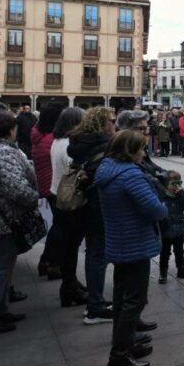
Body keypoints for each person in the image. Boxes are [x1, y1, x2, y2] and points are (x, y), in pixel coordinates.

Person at [94, 130, 167, 366]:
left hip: (118, 241)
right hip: (135, 243)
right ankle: (120, 356)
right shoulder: (130, 176)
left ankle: (125, 344)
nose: (144, 153)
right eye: (141, 149)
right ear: (130, 151)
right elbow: (156, 210)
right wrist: (164, 201)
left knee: (122, 296)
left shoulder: (107, 169)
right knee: (132, 301)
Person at [0, 110, 40, 335]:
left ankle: (0, 310)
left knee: (2, 264)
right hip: (4, 217)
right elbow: (17, 188)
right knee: (0, 267)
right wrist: (34, 198)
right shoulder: (3, 153)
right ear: (10, 130)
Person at [68, 107, 115, 322]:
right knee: (99, 253)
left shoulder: (78, 144)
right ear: (101, 123)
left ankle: (94, 301)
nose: (114, 125)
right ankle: (96, 306)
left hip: (84, 205)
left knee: (93, 252)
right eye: (111, 121)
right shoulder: (102, 146)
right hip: (99, 206)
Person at [50, 106, 88, 306]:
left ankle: (71, 283)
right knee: (70, 247)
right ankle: (69, 287)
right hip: (70, 201)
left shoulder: (57, 141)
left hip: (58, 196)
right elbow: (77, 171)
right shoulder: (68, 145)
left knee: (69, 247)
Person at [31, 104, 65, 281]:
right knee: (60, 226)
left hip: (44, 184)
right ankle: (53, 264)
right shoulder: (53, 139)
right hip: (55, 185)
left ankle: (46, 260)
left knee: (57, 225)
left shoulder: (38, 135)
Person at [158, 170, 184, 284]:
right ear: (166, 184)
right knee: (165, 252)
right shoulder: (161, 196)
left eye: (179, 183)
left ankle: (181, 268)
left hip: (179, 229)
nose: (177, 187)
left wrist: (181, 193)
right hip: (166, 230)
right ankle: (163, 272)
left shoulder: (180, 195)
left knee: (179, 251)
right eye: (174, 184)